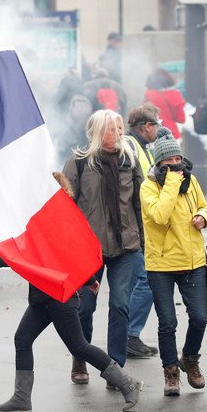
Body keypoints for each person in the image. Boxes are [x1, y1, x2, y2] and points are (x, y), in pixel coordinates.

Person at [0, 174, 142, 412]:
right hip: (44, 296)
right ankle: (22, 398)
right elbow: (65, 254)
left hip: (58, 295)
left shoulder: (52, 219)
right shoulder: (52, 218)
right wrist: (89, 279)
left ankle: (128, 383)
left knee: (79, 347)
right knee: (23, 339)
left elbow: (29, 253)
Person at [62, 109, 143, 386]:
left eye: (121, 128)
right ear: (97, 132)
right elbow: (65, 207)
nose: (119, 134)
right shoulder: (79, 163)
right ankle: (80, 356)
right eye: (112, 129)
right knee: (84, 308)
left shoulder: (129, 161)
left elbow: (139, 204)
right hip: (88, 250)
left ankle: (115, 369)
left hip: (126, 246)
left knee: (120, 305)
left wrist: (142, 241)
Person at [140, 133, 207, 396]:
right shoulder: (148, 187)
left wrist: (203, 217)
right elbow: (159, 216)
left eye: (178, 159)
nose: (176, 164)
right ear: (159, 164)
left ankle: (190, 359)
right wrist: (171, 182)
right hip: (161, 264)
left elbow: (204, 206)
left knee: (200, 318)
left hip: (193, 260)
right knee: (167, 322)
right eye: (169, 160)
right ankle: (171, 372)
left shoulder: (190, 182)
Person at [123, 104, 162, 358]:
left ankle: (128, 334)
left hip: (139, 224)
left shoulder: (139, 146)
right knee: (146, 279)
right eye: (156, 125)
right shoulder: (129, 147)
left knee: (136, 282)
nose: (158, 130)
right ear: (146, 126)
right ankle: (129, 335)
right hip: (134, 226)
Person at [144, 68, 186, 141]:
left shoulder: (149, 94)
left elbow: (144, 115)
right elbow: (181, 119)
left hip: (153, 136)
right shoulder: (175, 94)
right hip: (172, 136)